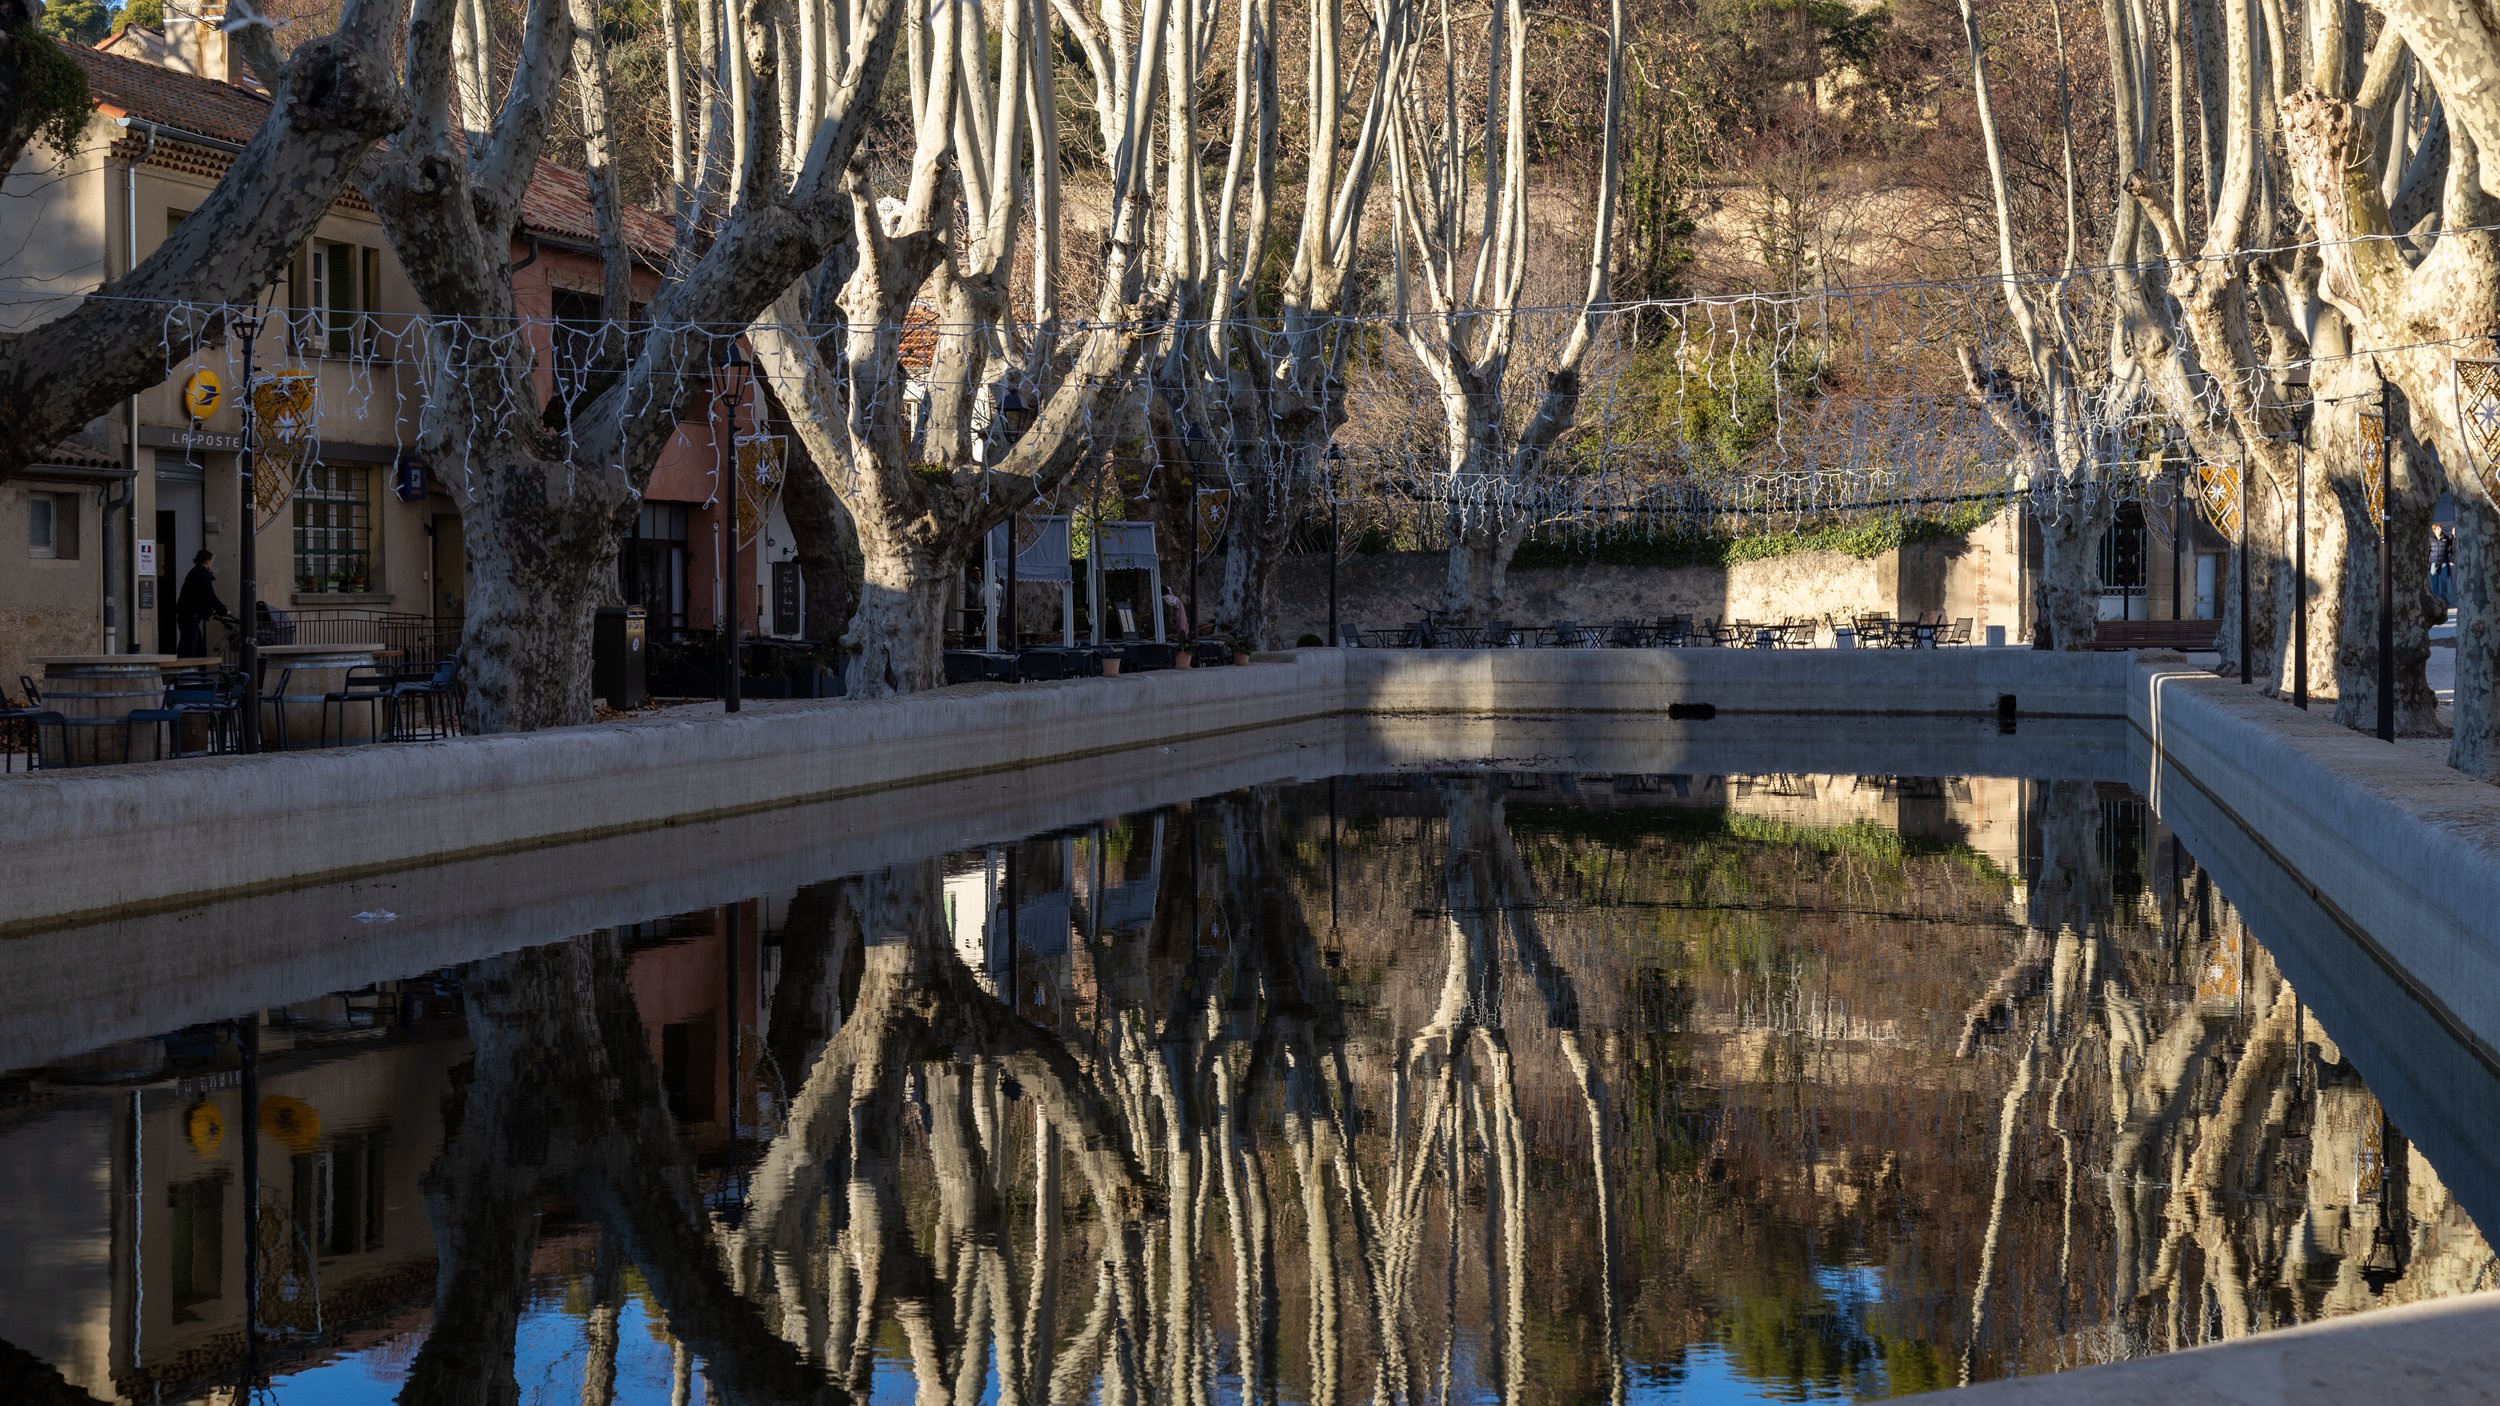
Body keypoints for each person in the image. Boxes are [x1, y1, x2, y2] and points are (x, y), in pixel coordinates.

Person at [174, 549, 235, 657]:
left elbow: (198, 596)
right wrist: (225, 611)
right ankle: (185, 667)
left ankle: (198, 667)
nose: (212, 563)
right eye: (211, 561)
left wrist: (211, 610)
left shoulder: (195, 573)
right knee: (189, 649)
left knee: (198, 649)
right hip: (190, 616)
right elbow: (210, 596)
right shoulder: (202, 575)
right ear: (207, 561)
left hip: (188, 615)